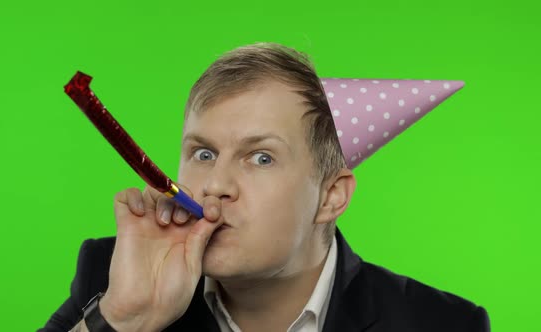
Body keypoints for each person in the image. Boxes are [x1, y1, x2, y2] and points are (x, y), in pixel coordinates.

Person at [39, 42, 490, 332]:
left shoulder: (441, 323)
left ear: (331, 197)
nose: (214, 185)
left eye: (261, 157)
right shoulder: (113, 277)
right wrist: (122, 319)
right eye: (203, 153)